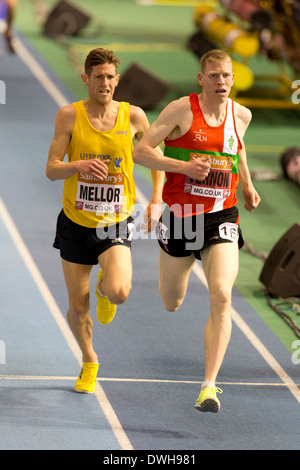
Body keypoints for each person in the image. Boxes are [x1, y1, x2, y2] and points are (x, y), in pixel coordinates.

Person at [133, 49, 261, 413]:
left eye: (227, 76)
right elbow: (141, 152)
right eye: (215, 76)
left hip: (222, 215)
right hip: (181, 215)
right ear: (201, 79)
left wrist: (247, 184)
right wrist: (183, 167)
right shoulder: (180, 110)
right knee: (171, 301)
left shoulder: (241, 115)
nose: (222, 82)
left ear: (233, 79)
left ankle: (209, 386)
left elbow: (237, 148)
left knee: (222, 294)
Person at [46, 48, 164, 394]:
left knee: (119, 291)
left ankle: (104, 289)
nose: (106, 83)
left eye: (111, 77)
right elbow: (52, 169)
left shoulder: (134, 117)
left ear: (117, 79)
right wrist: (76, 166)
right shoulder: (69, 116)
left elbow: (158, 159)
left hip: (114, 221)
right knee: (76, 307)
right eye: (99, 77)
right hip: (75, 221)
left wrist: (157, 198)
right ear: (86, 79)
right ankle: (89, 360)